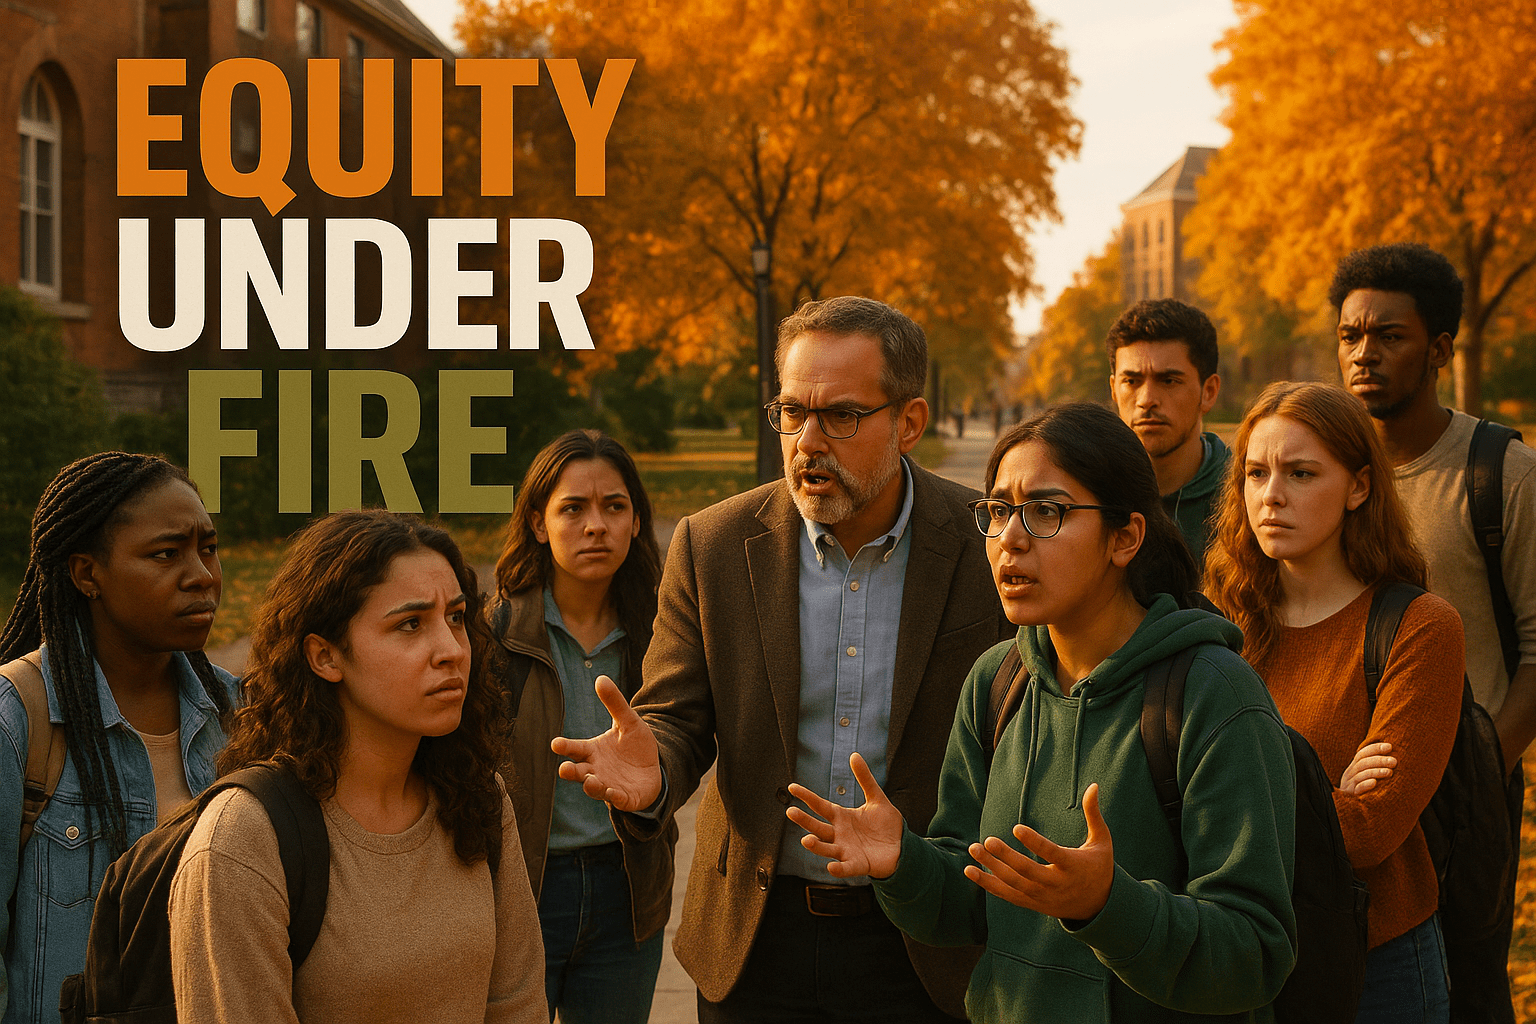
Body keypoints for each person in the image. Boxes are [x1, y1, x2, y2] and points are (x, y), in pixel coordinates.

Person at [552, 295, 1012, 1022]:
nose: (807, 441)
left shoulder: (987, 543)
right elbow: (676, 715)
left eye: (842, 416)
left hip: (926, 943)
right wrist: (656, 771)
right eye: (792, 413)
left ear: (911, 423)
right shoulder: (713, 545)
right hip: (756, 939)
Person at [786, 402, 1299, 1023]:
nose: (1011, 539)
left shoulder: (1213, 693)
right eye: (999, 511)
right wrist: (904, 862)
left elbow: (1254, 954)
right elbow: (971, 903)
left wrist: (1108, 904)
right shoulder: (999, 681)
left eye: (1047, 512)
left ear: (1126, 537)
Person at [168, 510, 545, 1024]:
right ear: (326, 657)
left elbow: (517, 1003)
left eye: (456, 618)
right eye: (410, 624)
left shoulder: (477, 795)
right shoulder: (244, 840)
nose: (452, 651)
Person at [1206, 381, 1463, 1024]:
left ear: (1359, 486)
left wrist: (1229, 805)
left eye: (1301, 473)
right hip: (1237, 947)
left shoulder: (1418, 627)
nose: (1271, 496)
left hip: (1377, 963)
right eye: (1256, 473)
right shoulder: (1220, 620)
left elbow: (1370, 831)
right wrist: (1323, 795)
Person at [0, 452, 237, 1024]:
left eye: (208, 547)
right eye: (165, 554)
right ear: (87, 574)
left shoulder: (239, 714)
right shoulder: (19, 720)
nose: (202, 574)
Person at [487, 429, 671, 1024]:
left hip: (628, 892)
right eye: (574, 508)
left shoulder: (665, 635)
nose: (597, 525)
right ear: (539, 523)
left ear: (637, 521)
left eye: (614, 507)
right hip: (521, 894)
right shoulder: (493, 635)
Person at [1331, 242, 1536, 774]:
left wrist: (1487, 769)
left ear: (1440, 350)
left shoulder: (1505, 474)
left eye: (1390, 337)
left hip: (1462, 795)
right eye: (1350, 336)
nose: (1363, 353)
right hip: (1331, 788)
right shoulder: (1312, 472)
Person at [1107, 298, 1228, 569]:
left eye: (1169, 381)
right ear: (1114, 390)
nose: (1147, 399)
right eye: (1132, 381)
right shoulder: (1088, 493)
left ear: (1208, 392)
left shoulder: (1248, 496)